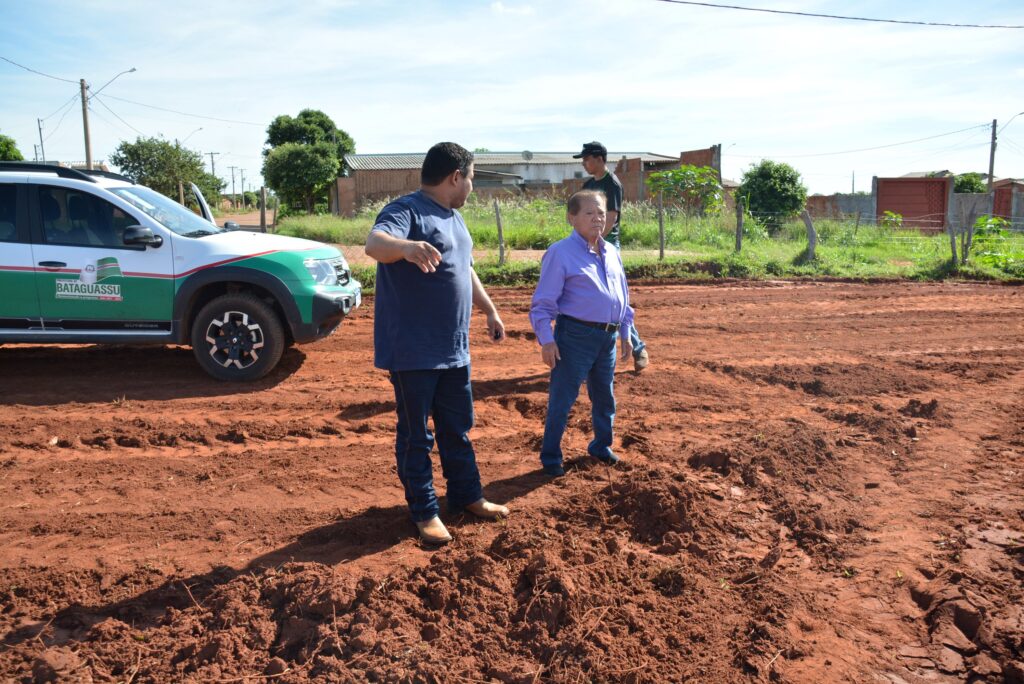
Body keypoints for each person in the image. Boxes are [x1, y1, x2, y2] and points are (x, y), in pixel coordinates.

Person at [365, 142, 509, 545]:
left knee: (457, 428)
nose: (472, 189)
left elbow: (466, 270)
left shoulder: (455, 220)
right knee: (416, 436)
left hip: (453, 349)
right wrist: (407, 248)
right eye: (472, 180)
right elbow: (374, 244)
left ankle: (467, 496)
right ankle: (425, 511)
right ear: (455, 177)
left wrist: (489, 309)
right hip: (413, 351)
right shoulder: (406, 210)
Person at [529, 190, 634, 477]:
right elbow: (542, 305)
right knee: (563, 399)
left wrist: (626, 331)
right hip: (575, 336)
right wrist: (547, 341)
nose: (597, 218)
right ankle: (551, 457)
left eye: (600, 212)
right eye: (589, 213)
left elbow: (623, 296)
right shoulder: (560, 253)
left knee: (604, 397)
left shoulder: (612, 252)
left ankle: (601, 445)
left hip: (608, 338)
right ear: (571, 218)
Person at [574, 141, 649, 371]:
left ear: (599, 158)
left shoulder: (612, 184)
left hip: (607, 245)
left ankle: (637, 349)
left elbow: (611, 217)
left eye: (587, 159)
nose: (585, 163)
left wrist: (595, 242)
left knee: (614, 300)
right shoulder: (587, 185)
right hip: (586, 243)